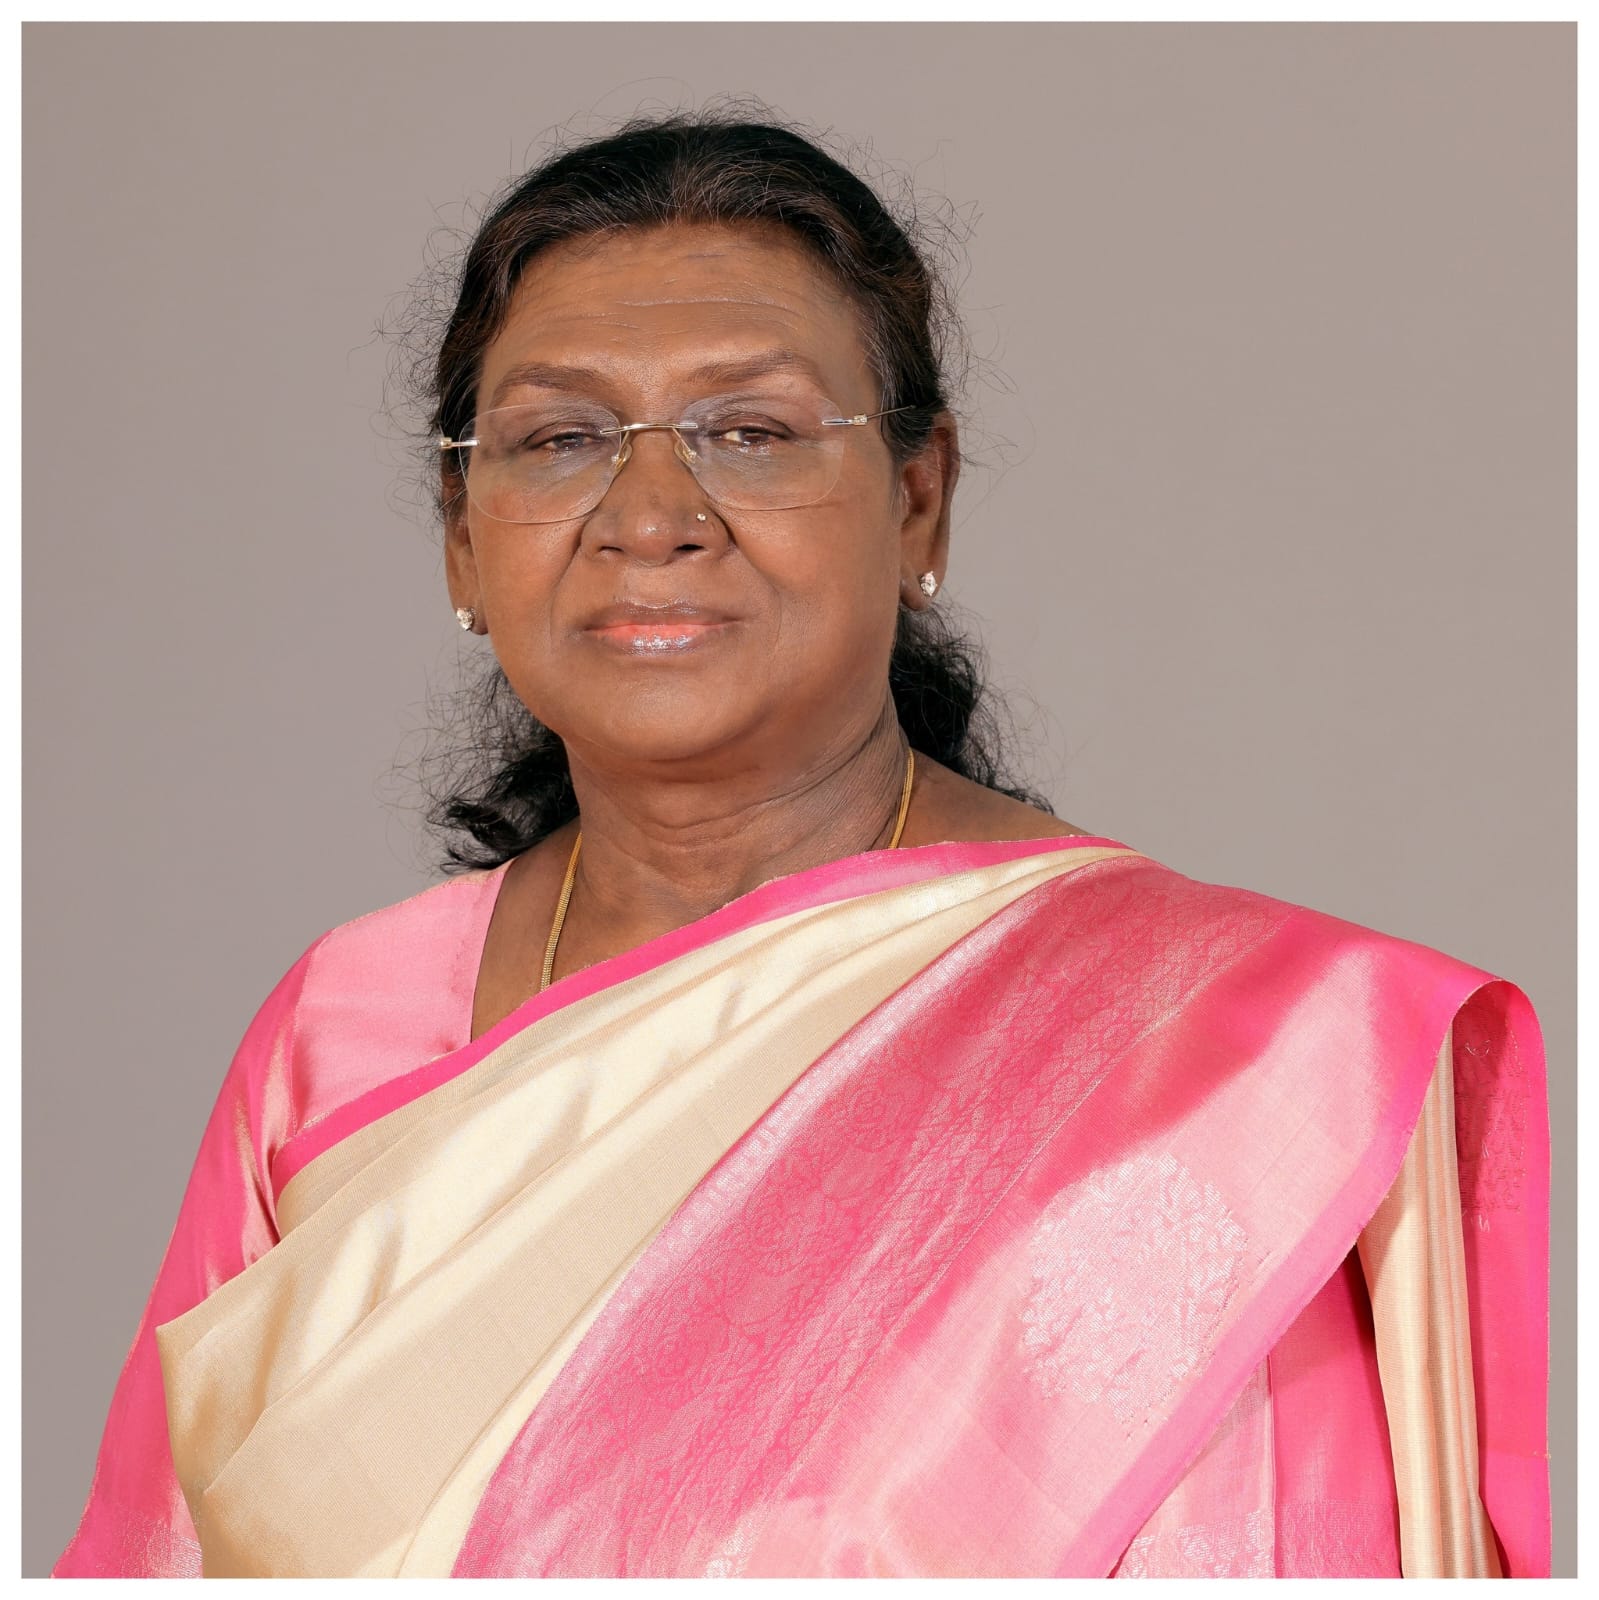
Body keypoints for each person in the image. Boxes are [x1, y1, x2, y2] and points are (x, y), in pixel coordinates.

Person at [52, 109, 1549, 1579]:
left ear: (918, 502)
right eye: (559, 439)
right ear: (463, 535)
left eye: (750, 433)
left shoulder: (1220, 1058)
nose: (650, 516)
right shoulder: (339, 1038)